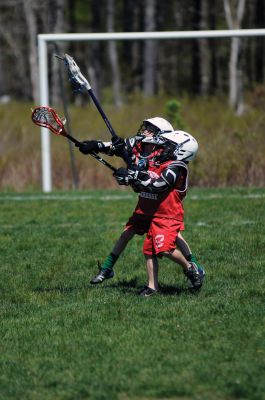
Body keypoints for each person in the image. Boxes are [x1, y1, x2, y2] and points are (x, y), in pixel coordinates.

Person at [78, 118, 205, 295]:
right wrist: (96, 146)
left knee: (166, 245)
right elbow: (123, 153)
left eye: (151, 129)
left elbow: (157, 183)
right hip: (147, 204)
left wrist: (132, 176)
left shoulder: (174, 165)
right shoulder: (155, 152)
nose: (145, 131)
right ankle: (151, 286)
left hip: (165, 212)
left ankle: (191, 267)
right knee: (146, 246)